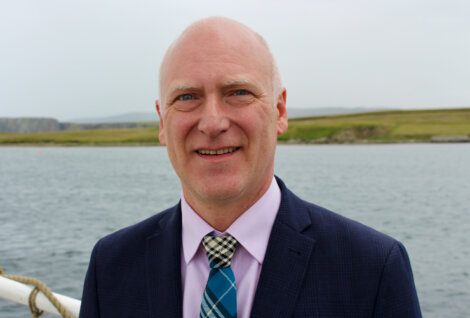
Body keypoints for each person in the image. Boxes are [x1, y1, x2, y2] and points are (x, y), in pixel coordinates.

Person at [79, 17, 421, 317]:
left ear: (280, 111)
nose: (212, 123)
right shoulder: (111, 266)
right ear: (161, 122)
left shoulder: (371, 268)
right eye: (186, 97)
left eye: (238, 92)